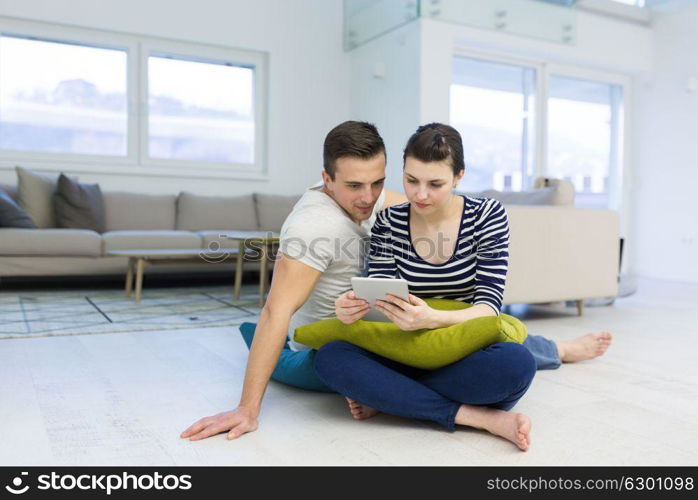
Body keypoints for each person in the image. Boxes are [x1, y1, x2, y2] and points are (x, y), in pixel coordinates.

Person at [180, 121, 612, 445]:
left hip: (435, 334)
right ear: (326, 179)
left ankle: (394, 397)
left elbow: (486, 302)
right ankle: (473, 417)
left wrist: (428, 314)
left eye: (378, 182)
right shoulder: (342, 224)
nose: (369, 197)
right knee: (336, 361)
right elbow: (283, 309)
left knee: (509, 360)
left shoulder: (448, 210)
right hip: (378, 344)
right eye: (354, 185)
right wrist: (247, 408)